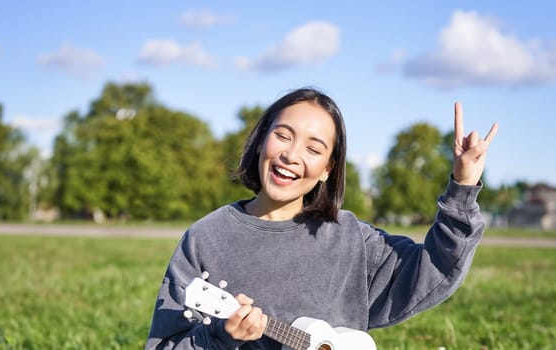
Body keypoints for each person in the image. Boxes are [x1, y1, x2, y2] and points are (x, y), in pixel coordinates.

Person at [145, 87, 498, 349]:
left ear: (328, 169)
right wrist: (218, 336)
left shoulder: (350, 238)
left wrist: (463, 185)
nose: (291, 155)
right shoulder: (207, 237)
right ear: (261, 141)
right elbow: (163, 344)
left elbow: (435, 269)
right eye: (282, 135)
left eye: (313, 149)